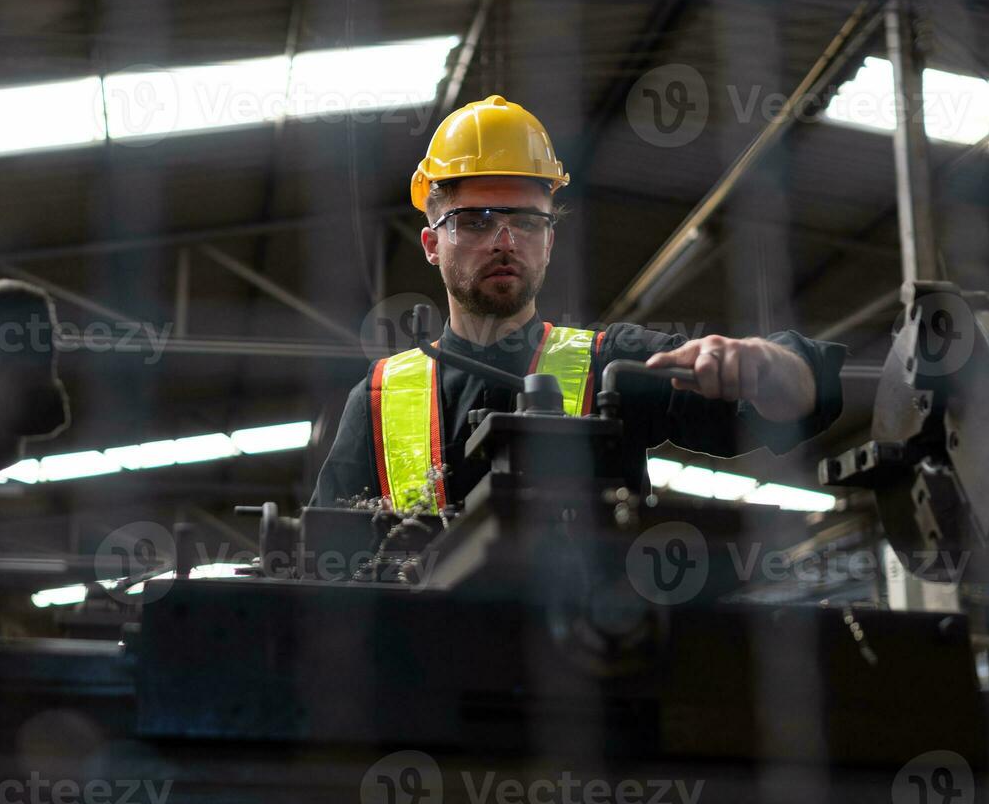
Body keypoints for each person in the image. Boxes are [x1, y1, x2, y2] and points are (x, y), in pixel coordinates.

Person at [311, 95, 845, 511]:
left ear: (549, 241)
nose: (505, 241)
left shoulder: (610, 364)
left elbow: (790, 405)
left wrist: (772, 365)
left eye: (527, 221)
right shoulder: (379, 398)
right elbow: (326, 557)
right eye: (475, 221)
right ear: (431, 243)